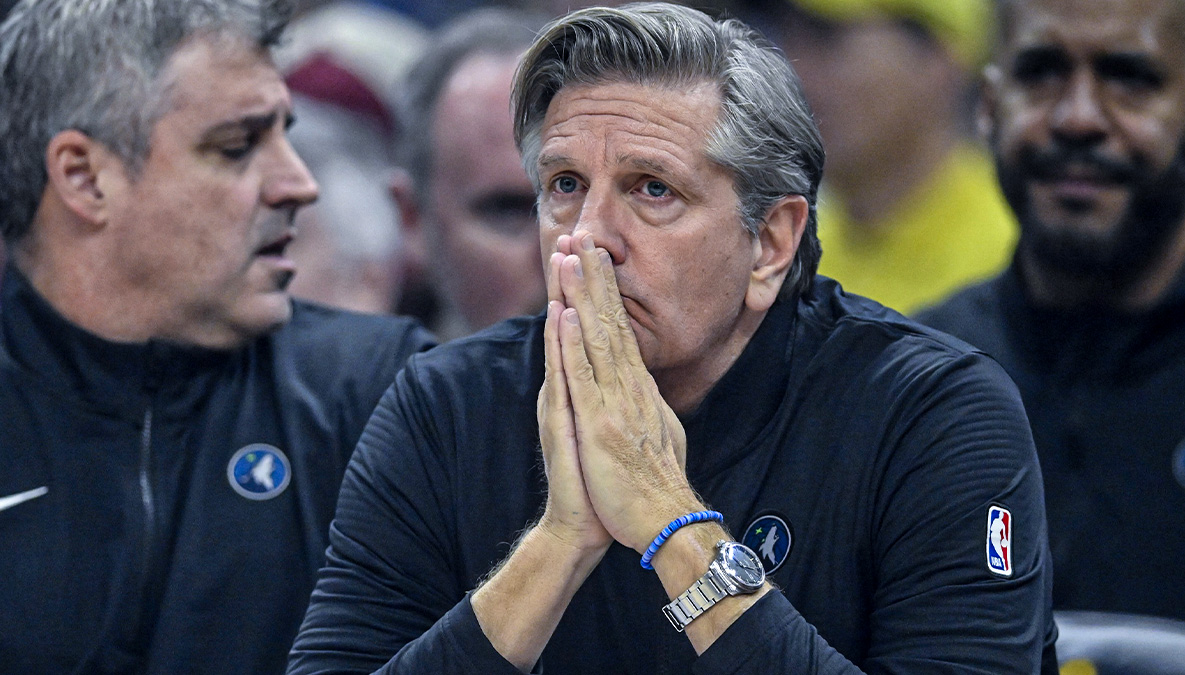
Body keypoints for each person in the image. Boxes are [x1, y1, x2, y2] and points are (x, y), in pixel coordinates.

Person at [289, 4, 1057, 673]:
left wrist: (667, 518)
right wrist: (557, 543)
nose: (586, 237)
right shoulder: (445, 405)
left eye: (652, 189)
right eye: (564, 186)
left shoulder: (934, 414)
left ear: (772, 243)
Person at [0, 1, 435, 672]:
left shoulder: (389, 391)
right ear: (84, 177)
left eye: (286, 135)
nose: (300, 183)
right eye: (237, 146)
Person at [919, 0, 1185, 623]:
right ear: (989, 106)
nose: (1077, 119)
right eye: (1040, 73)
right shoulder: (915, 376)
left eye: (1131, 78)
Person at [762, 0, 1017, 314]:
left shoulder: (1014, 258)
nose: (794, 73)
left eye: (827, 39)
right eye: (786, 37)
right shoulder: (784, 250)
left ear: (939, 61)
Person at [389, 9, 548, 340]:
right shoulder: (362, 388)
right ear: (413, 218)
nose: (566, 254)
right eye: (510, 211)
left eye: (578, 196)